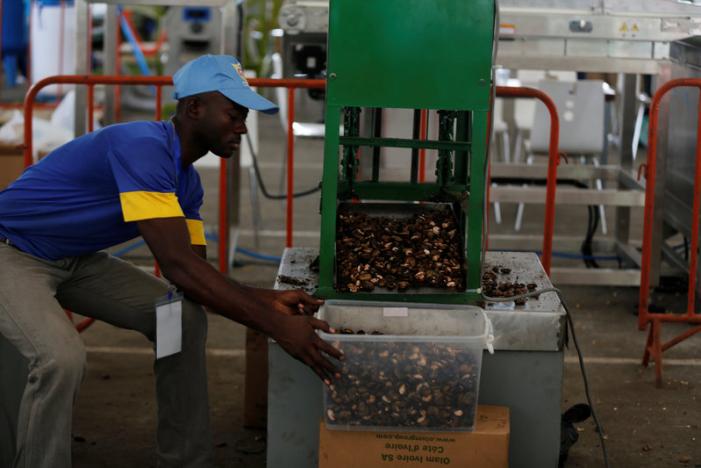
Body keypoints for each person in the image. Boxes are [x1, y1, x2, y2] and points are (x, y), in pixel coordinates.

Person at [0, 54, 341, 468]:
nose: (242, 127)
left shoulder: (187, 184)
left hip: (73, 260)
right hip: (11, 252)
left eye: (244, 116)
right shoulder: (141, 147)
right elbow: (180, 267)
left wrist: (267, 301)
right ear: (194, 108)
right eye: (233, 114)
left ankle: (185, 459)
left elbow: (193, 277)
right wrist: (277, 327)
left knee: (180, 317)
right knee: (60, 357)